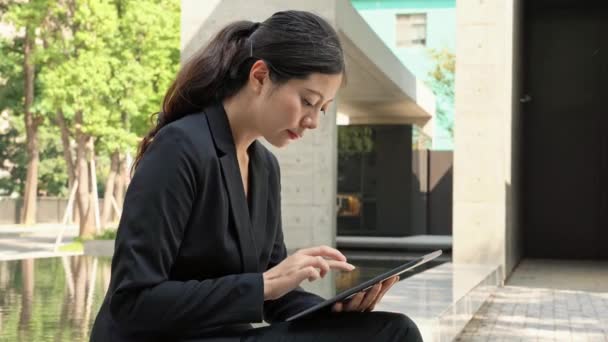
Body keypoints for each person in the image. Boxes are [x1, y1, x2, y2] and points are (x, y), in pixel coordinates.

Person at [90, 10, 422, 342]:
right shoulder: (179, 148)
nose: (313, 121)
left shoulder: (264, 166)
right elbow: (131, 302)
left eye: (321, 109)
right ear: (260, 76)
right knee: (393, 334)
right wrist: (265, 284)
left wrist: (335, 312)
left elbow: (276, 297)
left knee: (385, 330)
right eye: (307, 101)